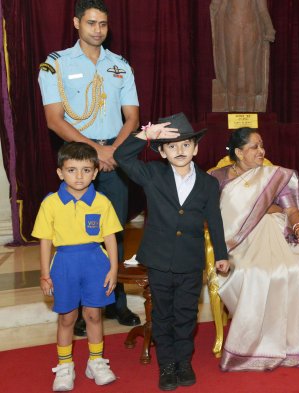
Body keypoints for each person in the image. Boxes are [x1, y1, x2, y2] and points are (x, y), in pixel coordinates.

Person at [38, 0, 141, 334]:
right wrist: (95, 151)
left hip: (115, 156)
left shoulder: (120, 65)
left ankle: (117, 302)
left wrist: (112, 151)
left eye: (103, 24)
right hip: (78, 160)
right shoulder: (55, 65)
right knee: (75, 231)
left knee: (114, 230)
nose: (98, 30)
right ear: (76, 23)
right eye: (92, 23)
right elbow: (54, 120)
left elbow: (133, 117)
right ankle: (79, 310)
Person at [114, 113, 229, 390]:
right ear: (163, 152)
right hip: (159, 259)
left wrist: (222, 254)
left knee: (187, 314)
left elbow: (214, 219)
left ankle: (183, 361)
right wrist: (146, 135)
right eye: (173, 146)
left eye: (186, 145)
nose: (180, 150)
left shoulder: (208, 183)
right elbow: (121, 157)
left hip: (190, 260)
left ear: (196, 148)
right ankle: (166, 364)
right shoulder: (152, 175)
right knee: (163, 314)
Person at [209, 128, 299, 371]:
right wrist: (263, 211)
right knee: (268, 271)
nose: (262, 151)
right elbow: (213, 217)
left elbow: (290, 210)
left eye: (262, 145)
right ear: (238, 152)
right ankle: (262, 342)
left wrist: (298, 226)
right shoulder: (217, 178)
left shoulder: (273, 176)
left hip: (280, 235)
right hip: (240, 242)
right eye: (254, 147)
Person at [33, 143, 120, 391]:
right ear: (60, 172)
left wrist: (113, 269)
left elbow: (110, 237)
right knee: (67, 317)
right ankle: (64, 365)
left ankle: (96, 361)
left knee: (93, 314)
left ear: (95, 172)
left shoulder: (102, 202)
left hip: (95, 263)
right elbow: (45, 240)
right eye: (72, 170)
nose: (79, 176)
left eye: (85, 170)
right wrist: (44, 274)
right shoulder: (50, 203)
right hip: (65, 264)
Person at [210, 0, 275, 112]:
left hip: (251, 27)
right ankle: (231, 111)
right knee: (232, 68)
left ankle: (251, 111)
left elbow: (262, 9)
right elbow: (215, 4)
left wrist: (269, 27)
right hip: (231, 27)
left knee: (251, 70)